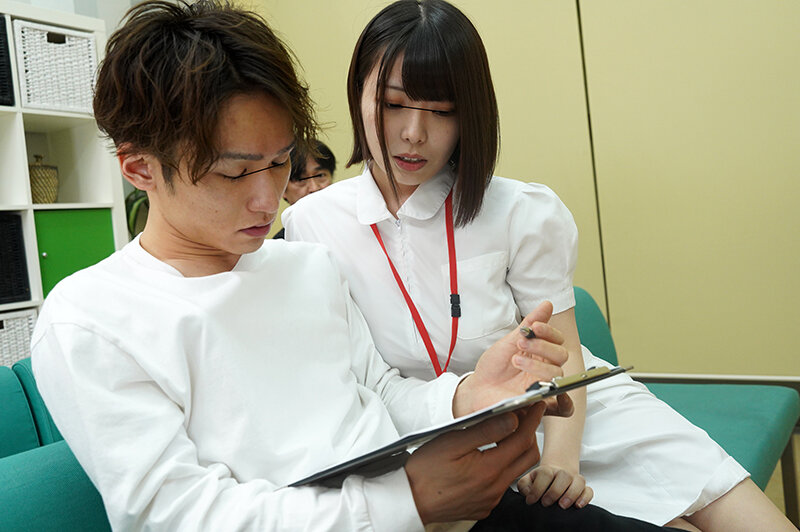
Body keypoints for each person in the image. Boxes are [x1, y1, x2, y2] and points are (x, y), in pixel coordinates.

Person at [29, 2, 677, 531]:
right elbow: (176, 516)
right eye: (234, 173)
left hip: (453, 510)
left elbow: (380, 394)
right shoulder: (92, 320)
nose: (268, 199)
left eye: (279, 163)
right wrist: (408, 502)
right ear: (140, 168)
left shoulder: (306, 268)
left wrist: (468, 393)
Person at [282, 1, 796, 531]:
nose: (414, 132)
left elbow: (564, 349)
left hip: (569, 414)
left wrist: (561, 462)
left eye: (442, 111)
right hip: (447, 440)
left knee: (744, 514)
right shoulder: (313, 224)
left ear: (470, 114)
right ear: (358, 93)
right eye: (393, 104)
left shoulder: (519, 210)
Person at [273, 139, 335, 239]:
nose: (314, 188)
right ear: (282, 190)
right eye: (300, 179)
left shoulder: (353, 224)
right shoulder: (281, 244)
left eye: (320, 175)